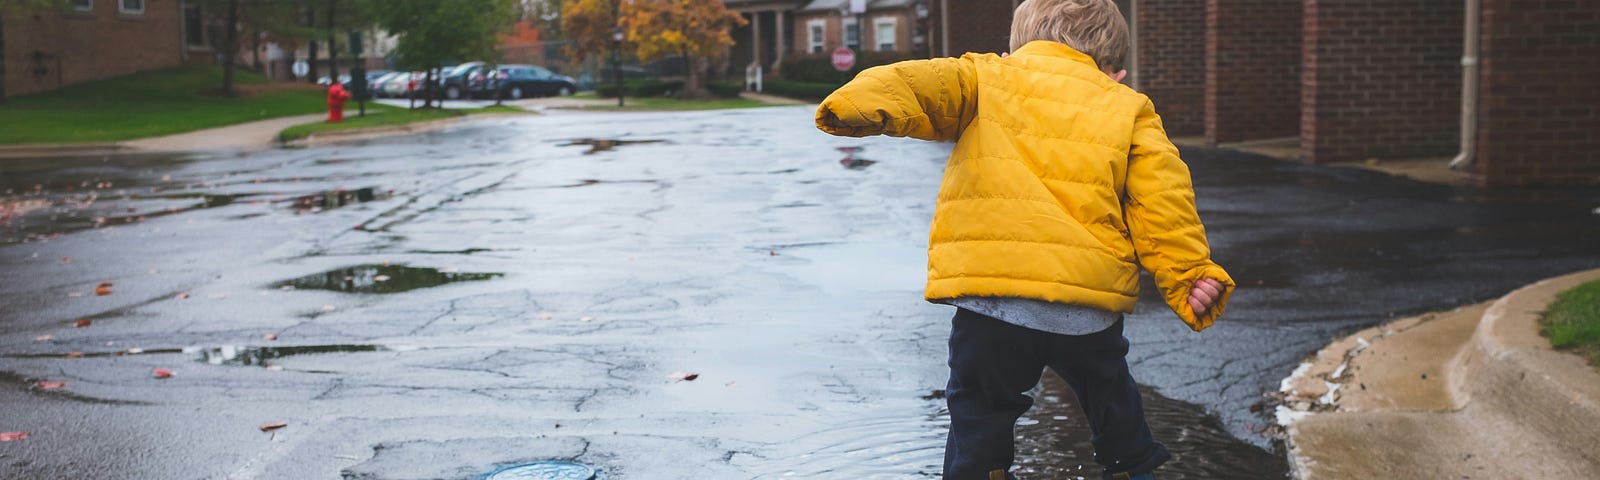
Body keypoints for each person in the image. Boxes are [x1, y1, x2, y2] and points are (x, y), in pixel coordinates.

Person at [813, 1, 1234, 479]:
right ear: (1113, 67)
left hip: (995, 302)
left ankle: (982, 472)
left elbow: (917, 83)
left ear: (1019, 42)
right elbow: (1163, 200)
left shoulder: (986, 78)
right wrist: (1189, 273)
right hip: (1084, 305)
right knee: (1110, 394)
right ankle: (1131, 467)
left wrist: (855, 106)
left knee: (980, 408)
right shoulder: (1127, 106)